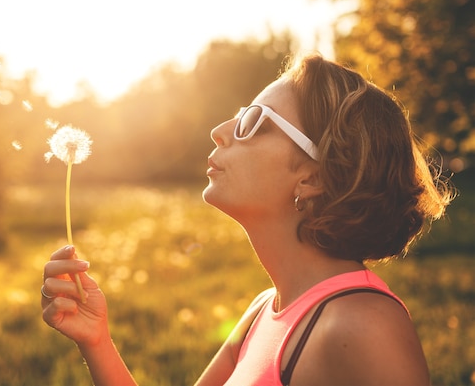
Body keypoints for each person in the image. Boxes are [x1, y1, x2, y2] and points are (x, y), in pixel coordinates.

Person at [40, 53, 453, 385]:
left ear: (313, 176)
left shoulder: (364, 326)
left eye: (253, 121)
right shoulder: (263, 312)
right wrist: (96, 340)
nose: (221, 131)